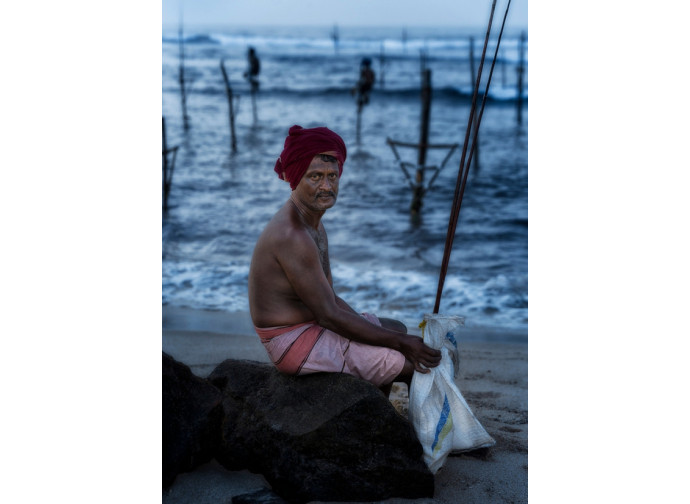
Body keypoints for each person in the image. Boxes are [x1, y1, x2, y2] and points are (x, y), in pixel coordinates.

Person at [248, 125, 441, 396]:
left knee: (397, 329)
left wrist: (396, 337)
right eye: (315, 177)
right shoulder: (293, 235)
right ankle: (398, 430)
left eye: (332, 176)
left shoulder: (312, 224)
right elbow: (328, 315)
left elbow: (331, 300)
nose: (326, 186)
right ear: (296, 179)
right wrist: (402, 344)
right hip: (291, 341)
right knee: (411, 361)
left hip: (311, 323)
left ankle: (376, 404)